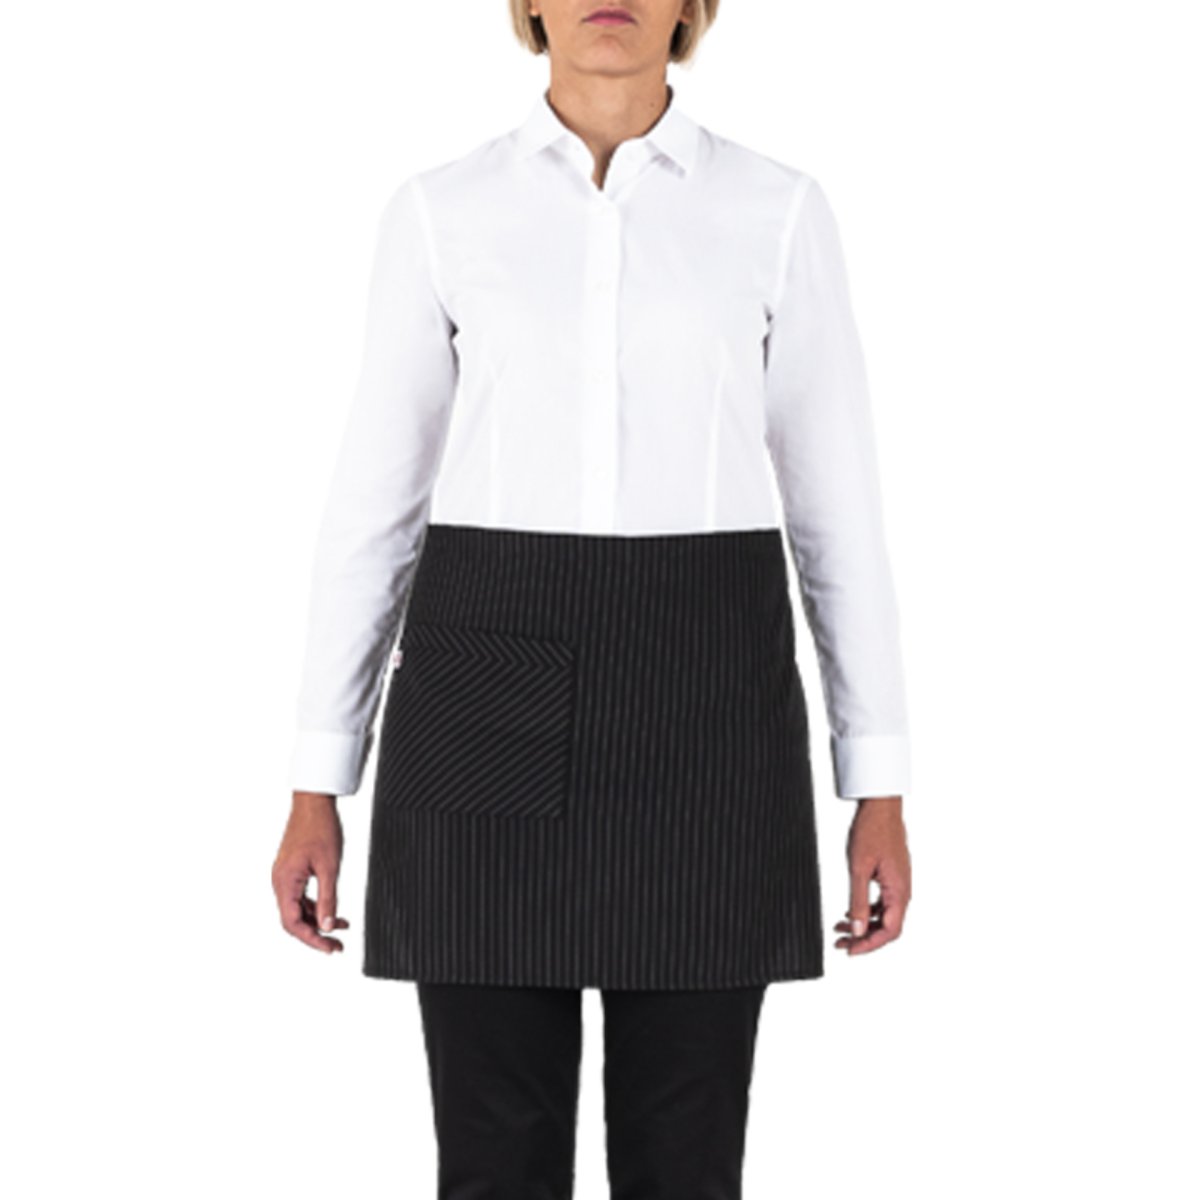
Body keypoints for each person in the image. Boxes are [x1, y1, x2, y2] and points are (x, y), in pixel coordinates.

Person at [273, 1, 913, 1195]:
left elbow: (839, 511)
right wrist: (320, 779)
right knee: (494, 1162)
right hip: (482, 710)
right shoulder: (441, 210)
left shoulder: (777, 210)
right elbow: (374, 508)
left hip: (709, 710)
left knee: (687, 1163)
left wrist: (876, 783)